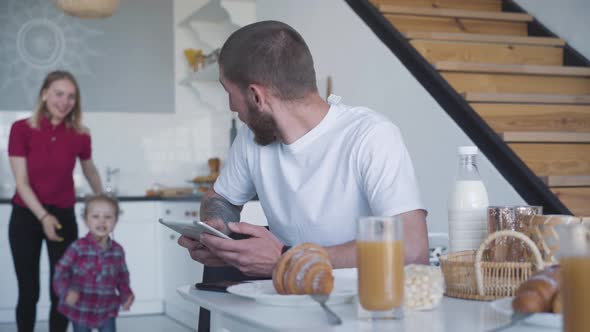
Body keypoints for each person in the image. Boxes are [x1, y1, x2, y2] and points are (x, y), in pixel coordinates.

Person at [178, 20, 429, 330]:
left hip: (356, 311)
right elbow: (221, 198)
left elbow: (413, 249)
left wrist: (288, 257)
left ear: (257, 95)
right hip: (280, 300)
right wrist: (220, 237)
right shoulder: (251, 137)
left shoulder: (371, 136)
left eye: (228, 92)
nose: (232, 107)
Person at [8, 70, 104, 332]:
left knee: (61, 290)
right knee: (29, 291)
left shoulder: (80, 134)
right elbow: (21, 183)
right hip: (26, 216)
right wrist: (43, 217)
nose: (65, 101)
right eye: (59, 94)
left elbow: (89, 169)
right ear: (44, 94)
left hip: (63, 216)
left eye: (71, 96)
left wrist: (103, 197)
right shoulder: (21, 129)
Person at [53, 194, 134, 332]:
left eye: (108, 217)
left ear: (115, 221)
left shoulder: (117, 251)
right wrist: (66, 292)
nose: (102, 221)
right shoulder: (77, 248)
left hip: (106, 309)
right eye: (95, 216)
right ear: (86, 220)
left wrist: (126, 295)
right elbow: (61, 271)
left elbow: (122, 276)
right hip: (81, 309)